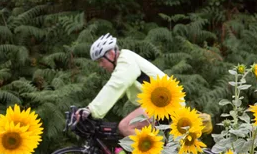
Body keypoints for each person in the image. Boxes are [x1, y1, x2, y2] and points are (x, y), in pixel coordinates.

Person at [76, 33, 212, 136]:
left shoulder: (126, 61)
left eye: (101, 60)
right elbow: (116, 91)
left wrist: (91, 110)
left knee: (125, 127)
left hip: (164, 103)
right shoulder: (124, 63)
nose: (100, 65)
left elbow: (116, 85)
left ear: (111, 54)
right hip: (162, 102)